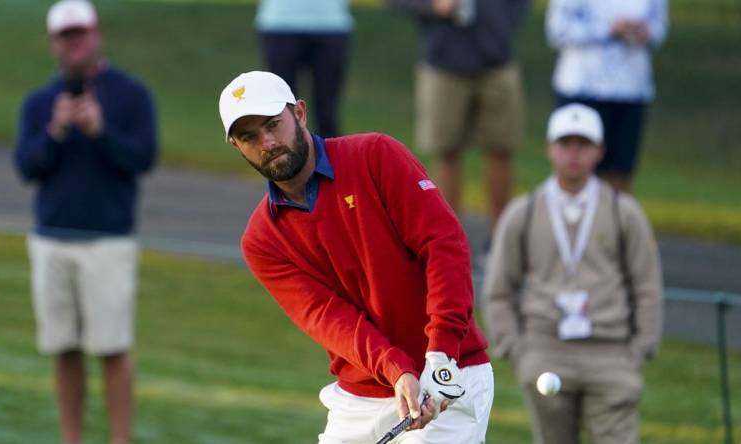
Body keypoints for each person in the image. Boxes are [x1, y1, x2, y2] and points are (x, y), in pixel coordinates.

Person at [218, 71, 493, 443]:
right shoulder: (262, 239)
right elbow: (330, 319)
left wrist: (440, 353)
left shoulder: (375, 155)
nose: (267, 142)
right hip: (361, 393)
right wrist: (397, 370)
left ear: (299, 113)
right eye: (250, 136)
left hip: (451, 373)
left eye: (272, 125)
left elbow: (444, 245)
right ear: (237, 146)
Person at [13, 1, 157, 443]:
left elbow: (142, 157)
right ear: (53, 42)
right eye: (64, 36)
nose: (73, 43)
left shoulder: (130, 95)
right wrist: (56, 131)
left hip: (108, 239)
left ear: (95, 34)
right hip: (52, 237)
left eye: (79, 33)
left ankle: (119, 438)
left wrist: (100, 131)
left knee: (112, 347)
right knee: (63, 348)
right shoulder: (40, 102)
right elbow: (27, 167)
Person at [483, 103, 663, 444]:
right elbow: (499, 289)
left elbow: (647, 286)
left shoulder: (623, 212)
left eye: (583, 144)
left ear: (599, 151)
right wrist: (517, 350)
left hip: (610, 351)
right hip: (546, 348)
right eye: (566, 143)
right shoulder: (524, 212)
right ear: (550, 148)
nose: (573, 153)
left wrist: (640, 349)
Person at [386, 0, 531, 235]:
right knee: (446, 152)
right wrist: (433, 7)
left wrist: (501, 24)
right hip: (443, 63)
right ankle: (449, 241)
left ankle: (501, 242)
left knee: (501, 150)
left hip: (496, 60)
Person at [546, 0, 669, 192]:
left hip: (631, 88)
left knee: (620, 172)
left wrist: (646, 32)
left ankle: (616, 220)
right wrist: (609, 29)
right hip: (581, 87)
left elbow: (659, 28)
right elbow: (558, 29)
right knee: (574, 168)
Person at [256, 0, 353, 138]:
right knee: (282, 108)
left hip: (331, 22)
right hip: (279, 22)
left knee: (327, 112)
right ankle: (284, 157)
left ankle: (330, 158)